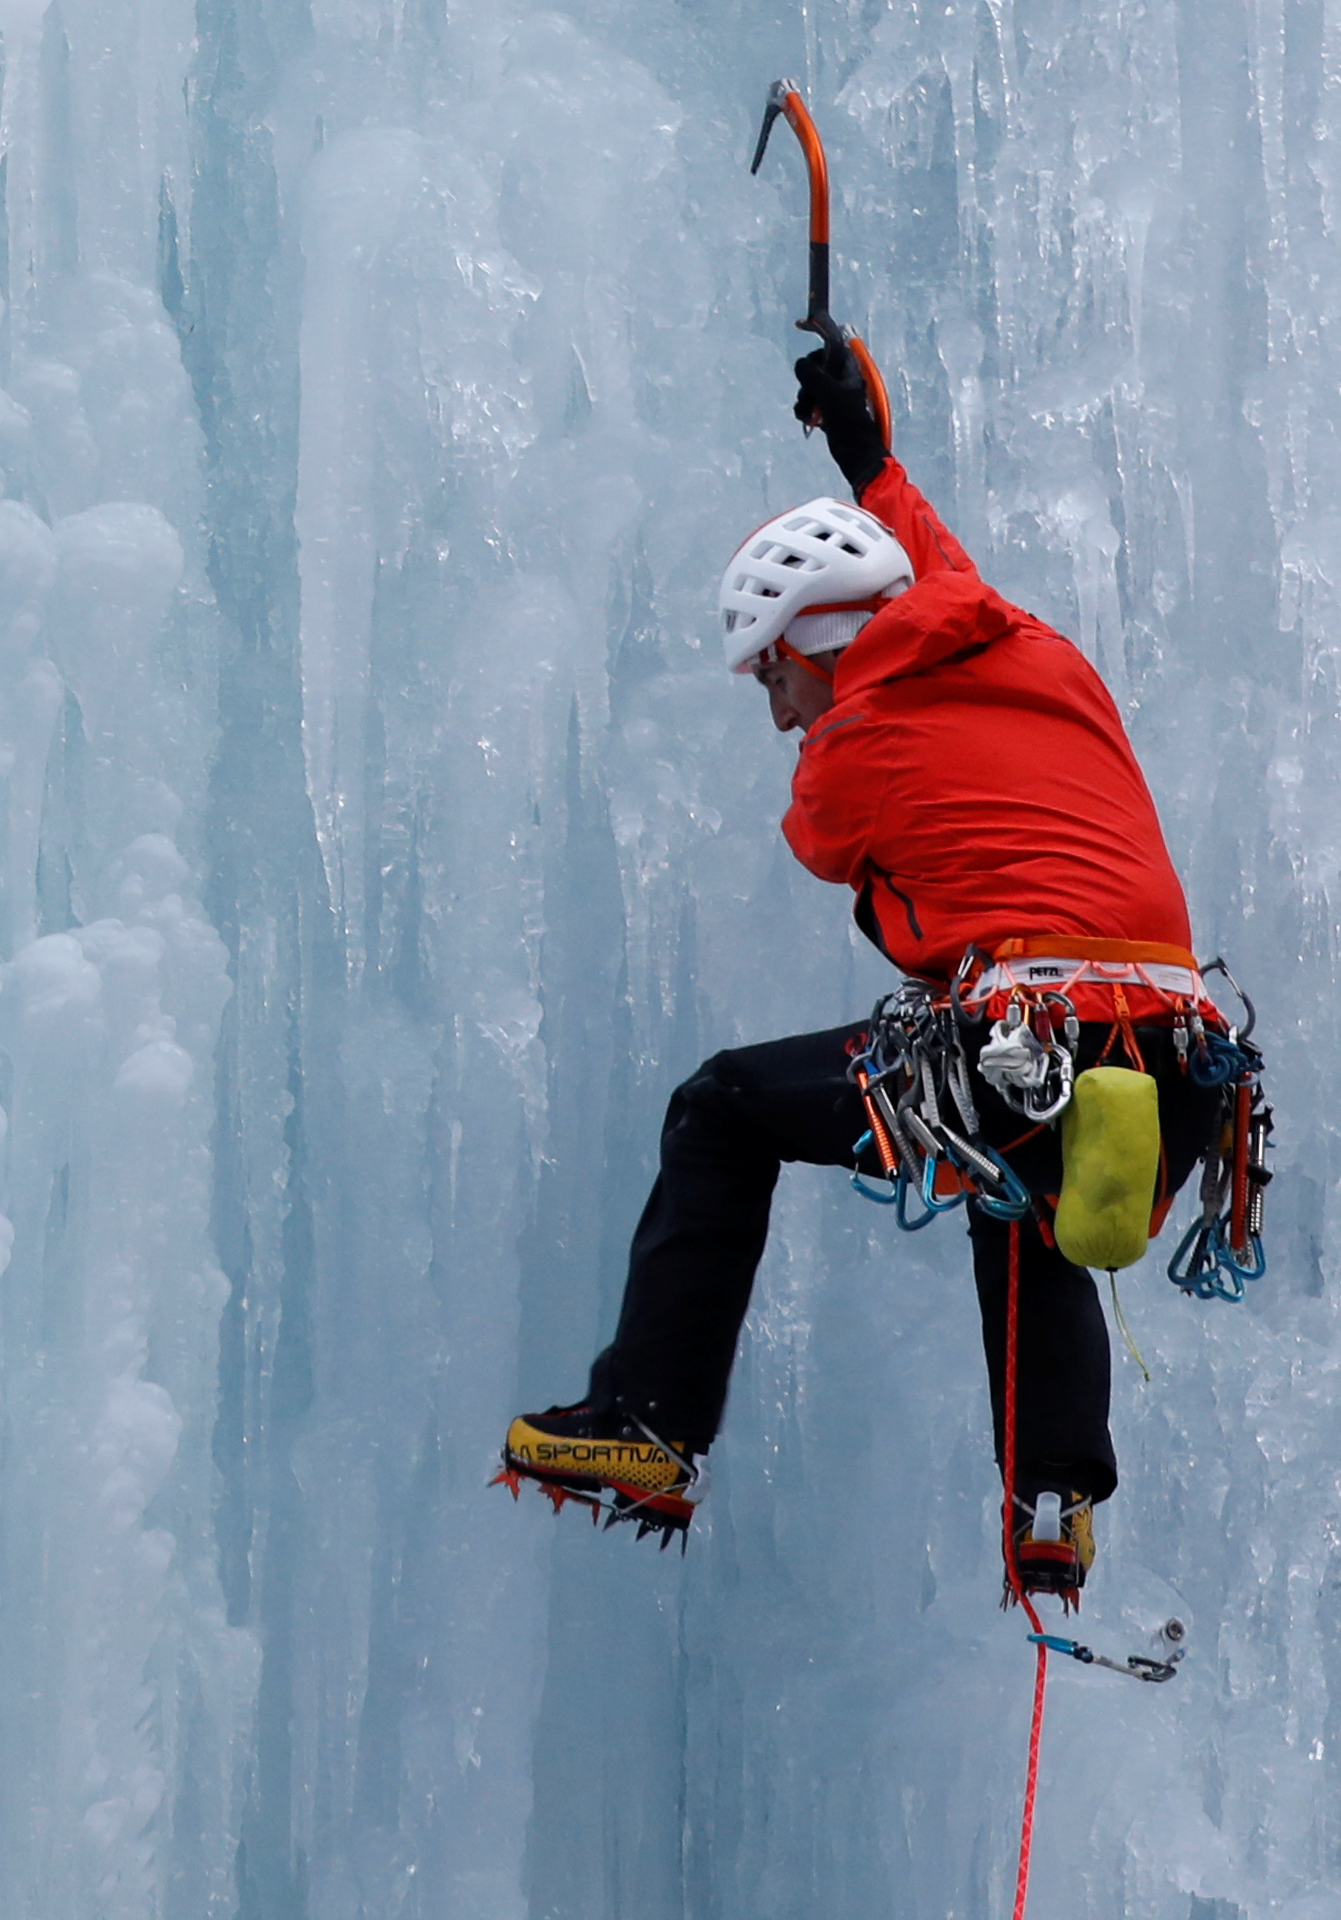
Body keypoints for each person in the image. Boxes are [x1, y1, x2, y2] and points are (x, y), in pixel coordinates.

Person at [498, 332, 1220, 1601]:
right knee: (1021, 1191)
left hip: (1034, 1037)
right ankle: (1052, 1499)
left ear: (815, 646)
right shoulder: (1031, 648)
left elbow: (846, 872)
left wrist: (842, 738)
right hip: (1183, 1059)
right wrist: (868, 457)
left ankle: (651, 1426)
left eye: (772, 674)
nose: (776, 711)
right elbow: (942, 583)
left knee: (722, 1107)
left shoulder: (853, 747)